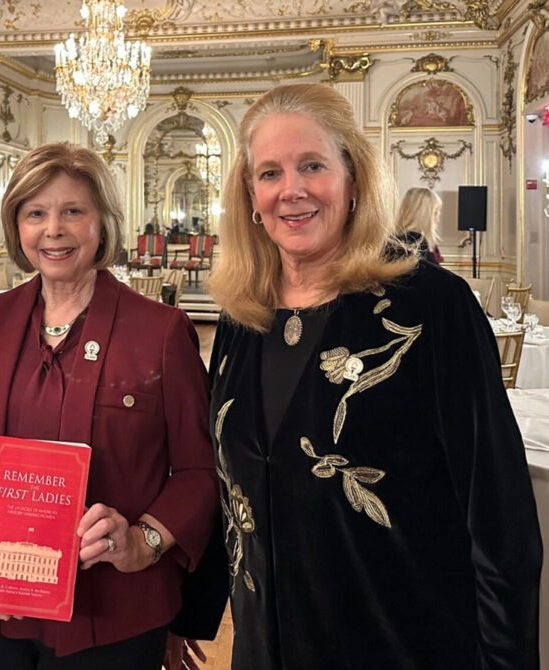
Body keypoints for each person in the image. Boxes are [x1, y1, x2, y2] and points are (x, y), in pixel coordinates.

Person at [204, 83, 541, 668]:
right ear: (249, 197)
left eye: (313, 165)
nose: (293, 190)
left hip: (402, 643)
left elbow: (500, 516)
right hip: (267, 648)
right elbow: (230, 493)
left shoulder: (431, 306)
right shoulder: (242, 315)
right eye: (269, 173)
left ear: (353, 177)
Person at [0, 141, 218, 669]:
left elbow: (200, 471)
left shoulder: (160, 330)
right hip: (1, 610)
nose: (52, 229)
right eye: (35, 213)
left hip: (117, 614)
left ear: (102, 223)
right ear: (17, 227)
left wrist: (144, 540)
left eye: (73, 211)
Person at [395, 186, 444, 264]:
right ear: (425, 214)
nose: (439, 215)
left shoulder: (427, 241)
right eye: (436, 211)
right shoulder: (413, 241)